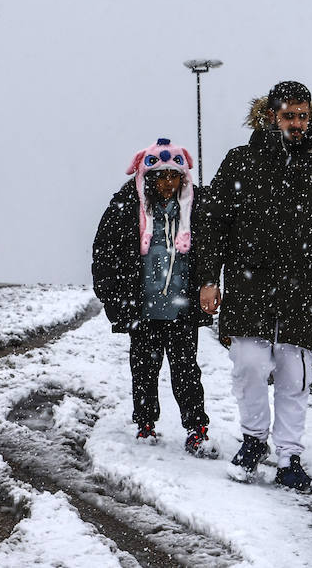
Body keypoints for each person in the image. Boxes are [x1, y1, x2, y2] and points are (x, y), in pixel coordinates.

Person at [197, 81, 312, 491]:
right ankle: (253, 439)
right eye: (289, 116)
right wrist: (209, 279)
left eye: (303, 116)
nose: (297, 124)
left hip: (305, 293)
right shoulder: (239, 162)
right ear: (270, 116)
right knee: (248, 367)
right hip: (250, 287)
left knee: (294, 377)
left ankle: (289, 456)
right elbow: (212, 223)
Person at [91, 138, 217, 458]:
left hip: (182, 308)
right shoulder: (126, 208)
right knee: (144, 369)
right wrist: (114, 301)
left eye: (174, 176)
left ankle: (196, 428)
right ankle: (146, 424)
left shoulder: (196, 208)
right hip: (142, 309)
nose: (168, 183)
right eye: (161, 176)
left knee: (186, 370)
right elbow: (104, 254)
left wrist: (208, 282)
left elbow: (212, 250)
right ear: (148, 177)